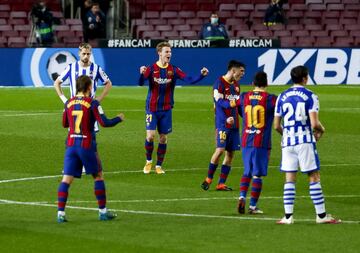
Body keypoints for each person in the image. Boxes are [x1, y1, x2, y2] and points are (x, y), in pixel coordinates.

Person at [274, 65, 341, 224]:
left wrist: (288, 135)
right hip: (304, 141)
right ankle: (321, 216)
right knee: (313, 176)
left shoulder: (281, 96)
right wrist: (322, 130)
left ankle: (288, 217)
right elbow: (314, 123)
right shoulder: (311, 95)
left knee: (289, 178)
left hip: (287, 142)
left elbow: (276, 126)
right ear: (305, 78)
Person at [57, 75, 124, 222]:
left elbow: (64, 124)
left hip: (71, 145)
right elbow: (104, 123)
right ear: (89, 87)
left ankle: (60, 214)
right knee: (98, 176)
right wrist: (119, 118)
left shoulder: (68, 103)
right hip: (86, 145)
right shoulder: (92, 103)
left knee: (66, 180)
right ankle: (103, 212)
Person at [139, 41, 209, 174]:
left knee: (163, 138)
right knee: (150, 136)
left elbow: (189, 79)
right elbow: (140, 83)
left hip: (166, 109)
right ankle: (148, 161)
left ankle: (159, 166)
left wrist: (201, 75)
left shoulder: (174, 70)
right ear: (159, 53)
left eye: (170, 52)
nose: (169, 54)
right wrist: (142, 74)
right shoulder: (151, 68)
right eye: (166, 51)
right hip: (152, 108)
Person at [201, 60, 245, 191]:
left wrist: (247, 118)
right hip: (222, 123)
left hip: (234, 124)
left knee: (231, 154)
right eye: (241, 71)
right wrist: (231, 109)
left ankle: (221, 183)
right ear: (233, 70)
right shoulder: (219, 83)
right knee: (220, 150)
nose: (243, 74)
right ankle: (208, 178)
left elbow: (239, 107)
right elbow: (219, 101)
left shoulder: (236, 86)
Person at [237, 71, 277, 214]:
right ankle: (253, 206)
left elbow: (237, 107)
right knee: (257, 174)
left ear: (252, 83)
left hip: (246, 139)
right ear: (267, 84)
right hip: (262, 141)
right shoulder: (271, 99)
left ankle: (242, 196)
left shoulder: (244, 96)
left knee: (247, 171)